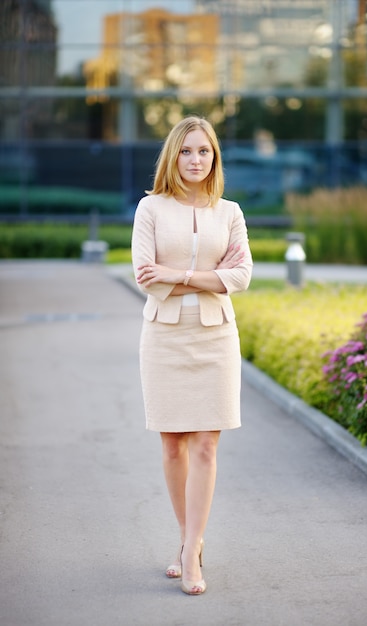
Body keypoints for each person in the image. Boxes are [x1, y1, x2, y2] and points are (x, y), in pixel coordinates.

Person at [131, 116, 253, 595]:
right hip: (164, 336)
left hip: (215, 337)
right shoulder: (151, 209)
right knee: (173, 443)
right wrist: (206, 274)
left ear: (214, 157)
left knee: (206, 444)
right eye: (187, 151)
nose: (196, 160)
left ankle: (191, 548)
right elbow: (145, 275)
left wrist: (175, 272)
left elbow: (241, 277)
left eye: (204, 151)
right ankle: (188, 540)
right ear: (173, 157)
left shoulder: (231, 212)